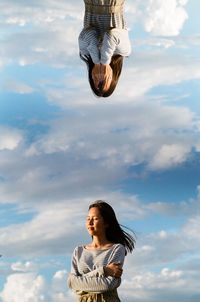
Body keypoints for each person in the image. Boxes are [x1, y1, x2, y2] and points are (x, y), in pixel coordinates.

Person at [68, 200, 135, 302]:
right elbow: (72, 284)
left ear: (106, 223)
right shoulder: (78, 251)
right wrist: (104, 271)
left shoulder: (116, 249)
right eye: (88, 219)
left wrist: (78, 281)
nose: (90, 222)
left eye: (95, 219)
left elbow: (108, 285)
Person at [79, 0, 131, 97]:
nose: (100, 76)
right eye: (105, 80)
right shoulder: (124, 51)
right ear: (112, 78)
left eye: (97, 81)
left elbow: (89, 34)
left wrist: (97, 62)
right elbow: (111, 36)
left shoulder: (85, 52)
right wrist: (104, 63)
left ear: (91, 77)